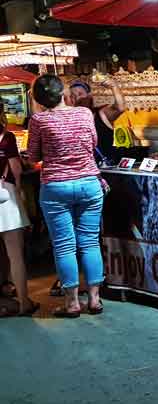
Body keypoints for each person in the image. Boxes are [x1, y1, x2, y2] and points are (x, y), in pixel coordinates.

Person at [27, 74, 105, 317]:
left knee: (64, 246)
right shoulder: (83, 114)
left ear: (39, 99)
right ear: (63, 93)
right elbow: (92, 143)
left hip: (56, 187)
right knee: (90, 241)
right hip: (89, 184)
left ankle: (72, 303)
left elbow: (33, 156)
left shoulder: (38, 120)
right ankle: (94, 299)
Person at [0, 106, 37, 317]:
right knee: (15, 255)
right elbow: (16, 169)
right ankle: (24, 302)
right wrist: (21, 192)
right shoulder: (7, 138)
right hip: (5, 197)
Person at [68, 79, 127, 163]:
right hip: (82, 168)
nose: (77, 98)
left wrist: (114, 87)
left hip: (105, 168)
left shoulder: (101, 113)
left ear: (89, 96)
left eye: (80, 94)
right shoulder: (68, 121)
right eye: (72, 96)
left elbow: (120, 108)